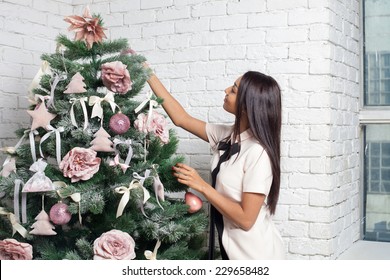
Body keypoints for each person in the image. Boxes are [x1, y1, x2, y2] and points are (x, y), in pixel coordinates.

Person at [145, 66, 285, 260]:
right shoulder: (228, 136)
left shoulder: (258, 153)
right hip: (230, 247)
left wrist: (201, 185)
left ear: (246, 106)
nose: (226, 90)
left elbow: (246, 219)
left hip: (254, 254)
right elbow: (181, 119)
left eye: (234, 90)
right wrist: (146, 72)